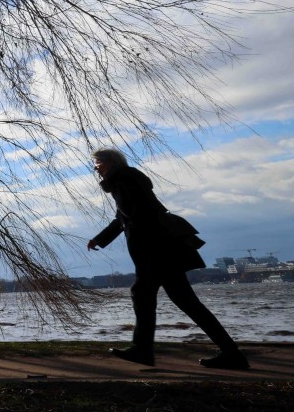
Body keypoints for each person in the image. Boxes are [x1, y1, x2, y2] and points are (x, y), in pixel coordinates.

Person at [86, 148, 248, 370]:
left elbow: (139, 217)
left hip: (155, 251)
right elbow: (123, 218)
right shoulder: (126, 180)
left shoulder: (125, 180)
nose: (95, 169)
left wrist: (142, 246)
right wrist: (99, 239)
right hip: (161, 251)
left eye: (97, 164)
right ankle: (231, 354)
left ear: (110, 163)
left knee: (143, 293)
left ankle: (142, 350)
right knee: (186, 302)